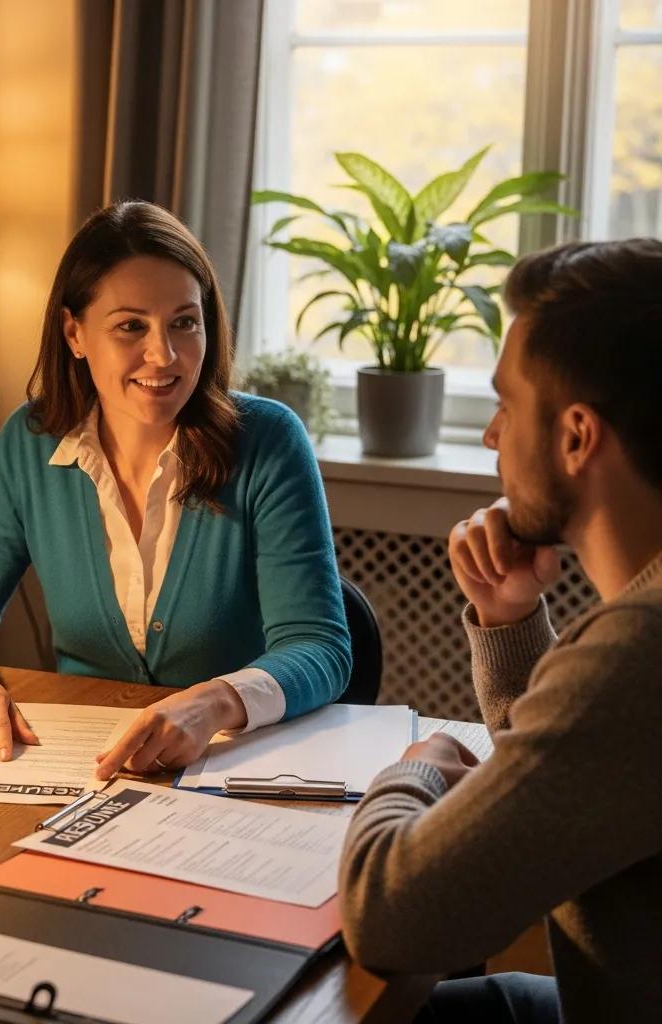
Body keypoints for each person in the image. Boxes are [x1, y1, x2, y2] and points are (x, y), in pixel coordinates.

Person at [0, 200, 351, 778]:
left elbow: (319, 646)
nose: (163, 355)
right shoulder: (31, 443)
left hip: (234, 766)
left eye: (184, 322)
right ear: (75, 333)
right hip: (86, 769)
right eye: (131, 326)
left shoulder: (268, 441)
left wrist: (214, 703)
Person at [337, 237, 662, 1023]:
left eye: (506, 406)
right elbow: (574, 779)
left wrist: (418, 767)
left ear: (576, 437)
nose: (490, 435)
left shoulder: (639, 654)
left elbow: (391, 914)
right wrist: (510, 617)